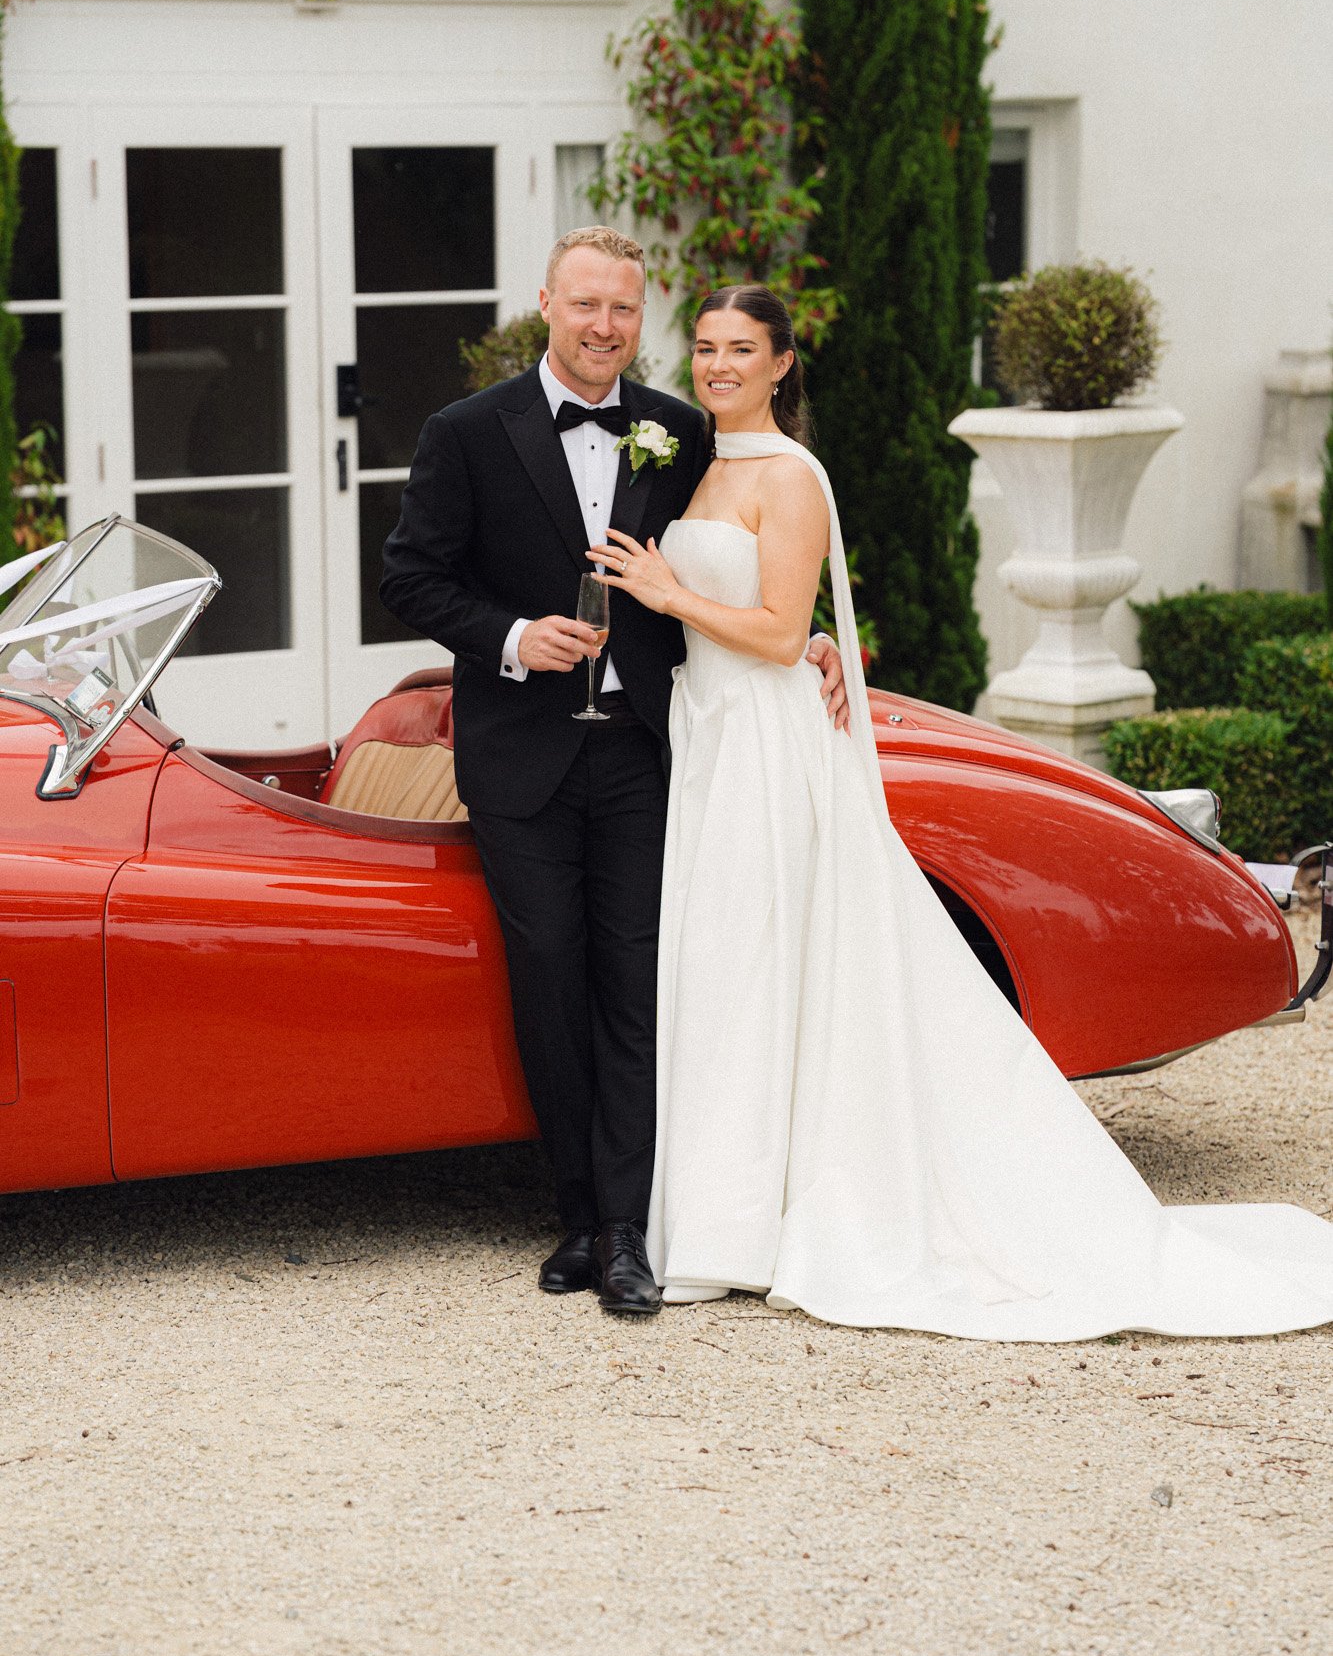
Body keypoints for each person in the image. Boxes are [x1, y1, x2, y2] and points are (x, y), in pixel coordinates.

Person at [588, 283, 1333, 1338]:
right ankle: (720, 1218)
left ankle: (755, 1226)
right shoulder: (703, 459)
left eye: (740, 349)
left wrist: (673, 597)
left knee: (764, 959)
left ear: (782, 363)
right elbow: (780, 629)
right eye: (705, 347)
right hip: (710, 739)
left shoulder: (793, 474)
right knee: (727, 967)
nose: (717, 365)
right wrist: (769, 636)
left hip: (764, 745)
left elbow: (771, 626)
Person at [380, 231, 847, 1318]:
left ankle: (631, 1230)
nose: (604, 326)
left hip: (648, 744)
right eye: (585, 304)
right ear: (547, 303)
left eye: (624, 311)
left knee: (640, 979)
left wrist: (808, 638)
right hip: (519, 754)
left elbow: (743, 555)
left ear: (641, 318)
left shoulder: (681, 430)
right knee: (549, 978)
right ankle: (578, 1211)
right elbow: (410, 576)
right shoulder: (465, 432)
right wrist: (506, 634)